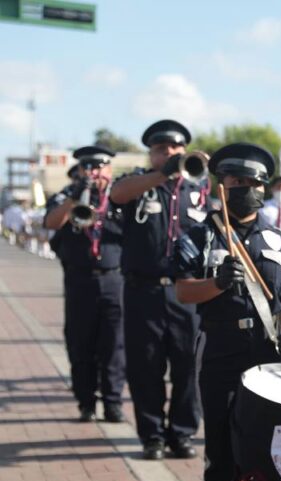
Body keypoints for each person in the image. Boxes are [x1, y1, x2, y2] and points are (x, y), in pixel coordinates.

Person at [173, 143, 281, 481]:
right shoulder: (201, 235)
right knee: (221, 449)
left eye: (252, 184)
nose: (244, 190)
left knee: (266, 447)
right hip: (220, 350)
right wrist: (215, 283)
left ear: (264, 188)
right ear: (221, 185)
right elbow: (181, 290)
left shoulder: (278, 240)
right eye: (235, 183)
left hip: (266, 354)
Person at [109, 119, 204, 460]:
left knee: (187, 365)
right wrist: (164, 173)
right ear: (151, 154)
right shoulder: (139, 183)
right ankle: (152, 435)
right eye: (162, 149)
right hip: (143, 291)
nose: (170, 154)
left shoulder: (200, 187)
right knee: (145, 365)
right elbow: (116, 195)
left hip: (187, 293)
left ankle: (181, 433)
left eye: (176, 149)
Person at [43, 145, 126, 423]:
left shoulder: (119, 198)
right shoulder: (67, 195)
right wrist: (76, 196)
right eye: (88, 167)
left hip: (114, 279)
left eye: (100, 167)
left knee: (114, 346)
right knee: (81, 345)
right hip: (79, 280)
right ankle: (86, 402)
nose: (95, 172)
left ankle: (113, 402)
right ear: (79, 171)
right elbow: (52, 223)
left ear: (110, 170)